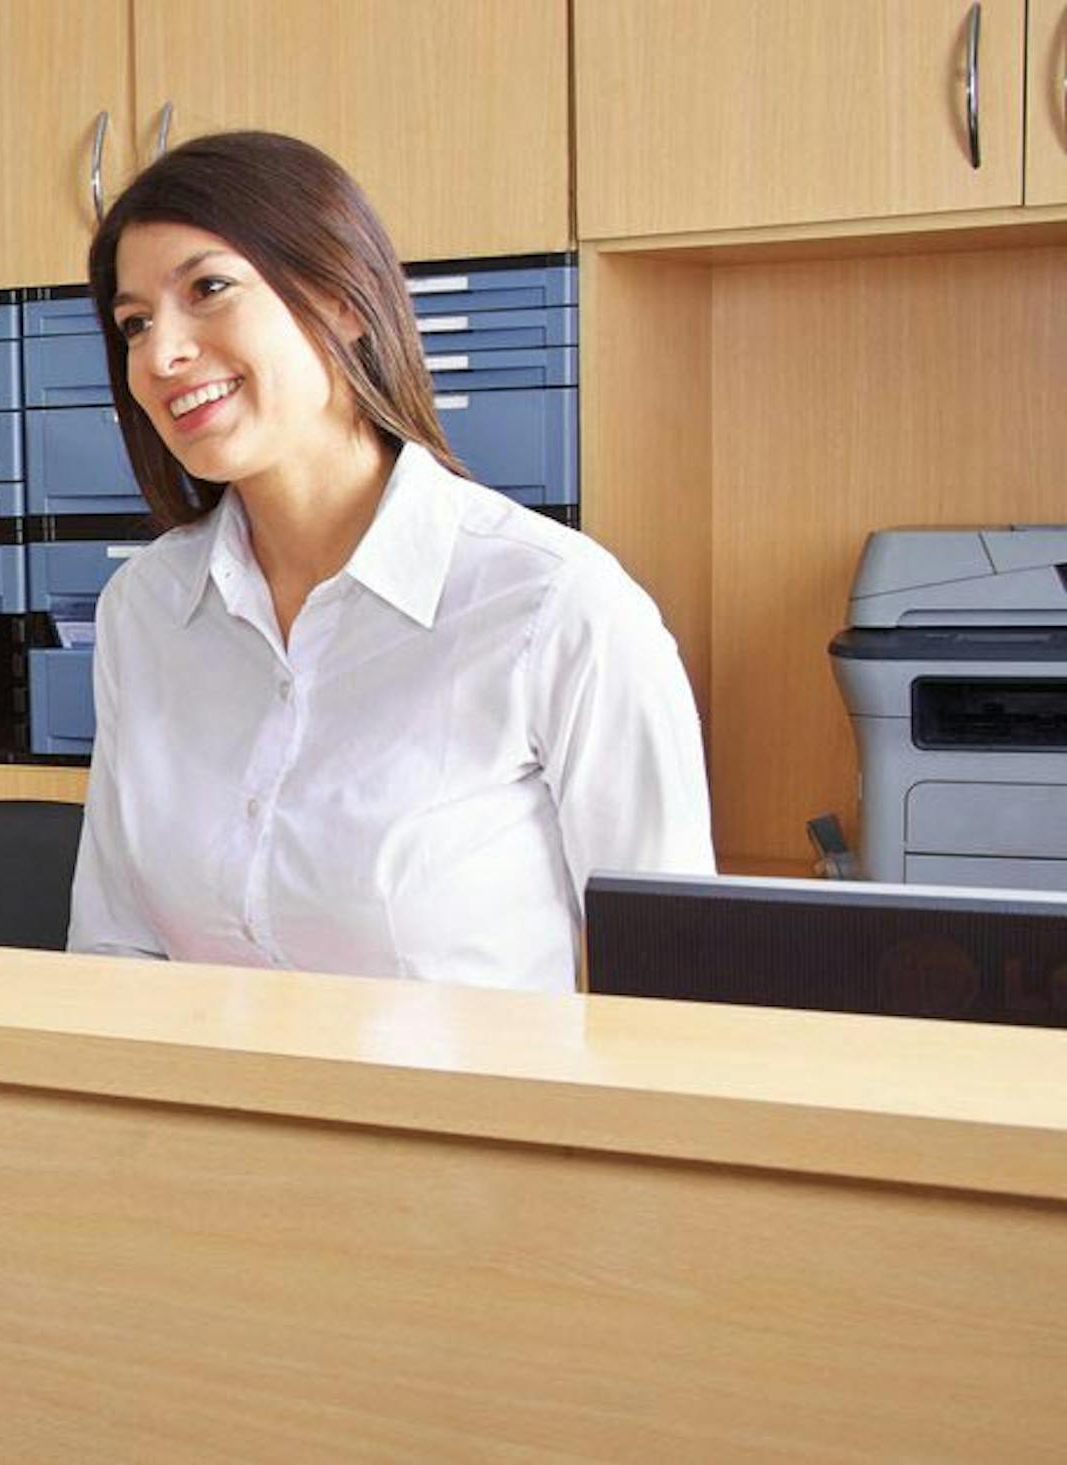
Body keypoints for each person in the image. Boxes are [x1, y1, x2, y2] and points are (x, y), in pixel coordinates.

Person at [65, 131, 713, 992]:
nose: (159, 354)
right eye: (135, 323)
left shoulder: (557, 604)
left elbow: (675, 992)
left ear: (341, 298)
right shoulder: (143, 609)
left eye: (209, 289)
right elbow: (114, 949)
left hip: (468, 1126)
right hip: (203, 1123)